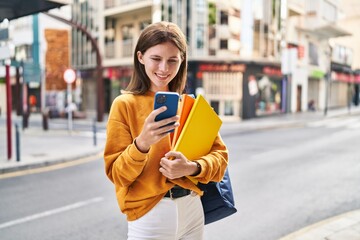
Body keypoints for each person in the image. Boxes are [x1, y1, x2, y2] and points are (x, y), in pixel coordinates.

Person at [104, 21, 228, 240]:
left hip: (191, 209)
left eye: (173, 60)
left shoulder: (191, 105)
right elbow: (117, 175)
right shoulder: (125, 105)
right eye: (156, 59)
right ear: (140, 57)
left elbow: (221, 158)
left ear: (182, 61)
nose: (164, 68)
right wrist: (142, 143)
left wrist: (191, 167)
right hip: (150, 214)